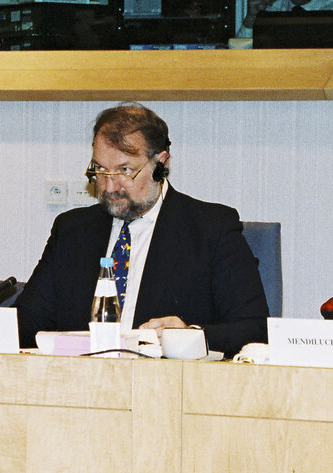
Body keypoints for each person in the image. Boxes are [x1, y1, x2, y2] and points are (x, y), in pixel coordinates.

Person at [16, 102, 269, 357]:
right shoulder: (72, 231)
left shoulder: (211, 229)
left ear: (161, 163)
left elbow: (255, 329)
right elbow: (27, 322)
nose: (110, 187)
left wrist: (190, 335)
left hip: (168, 387)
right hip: (80, 385)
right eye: (101, 170)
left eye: (125, 170)